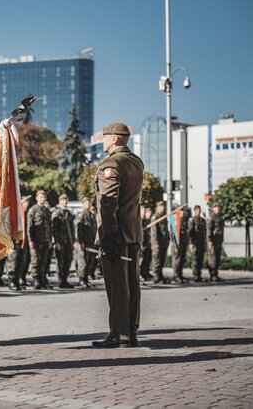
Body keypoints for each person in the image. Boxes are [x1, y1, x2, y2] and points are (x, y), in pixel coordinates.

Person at [92, 122, 144, 349]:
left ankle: (119, 334)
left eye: (104, 137)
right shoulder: (136, 161)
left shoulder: (112, 163)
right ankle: (131, 331)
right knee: (132, 284)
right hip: (133, 233)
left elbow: (108, 202)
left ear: (114, 139)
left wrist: (108, 233)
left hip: (117, 235)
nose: (102, 142)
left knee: (117, 286)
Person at [27, 190, 53, 289]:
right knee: (35, 260)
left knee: (43, 261)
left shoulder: (46, 210)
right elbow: (29, 226)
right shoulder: (33, 210)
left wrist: (50, 240)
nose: (43, 199)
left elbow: (50, 226)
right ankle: (35, 279)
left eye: (44, 197)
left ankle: (42, 278)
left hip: (46, 240)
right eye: (41, 197)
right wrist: (30, 240)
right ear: (37, 198)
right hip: (36, 240)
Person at [5, 195, 31, 291]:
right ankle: (11, 281)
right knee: (12, 262)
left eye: (28, 202)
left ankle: (17, 280)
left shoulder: (26, 213)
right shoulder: (14, 213)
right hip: (14, 242)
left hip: (23, 242)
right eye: (25, 202)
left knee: (21, 262)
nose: (27, 204)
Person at [52, 194, 75, 288]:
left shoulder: (69, 213)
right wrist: (55, 242)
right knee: (60, 261)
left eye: (66, 200)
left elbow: (72, 228)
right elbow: (54, 229)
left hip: (68, 242)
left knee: (67, 261)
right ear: (59, 201)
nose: (65, 201)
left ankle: (65, 279)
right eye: (63, 200)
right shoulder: (56, 213)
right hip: (60, 241)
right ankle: (61, 279)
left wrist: (73, 241)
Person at [75, 196, 97, 288]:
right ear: (83, 204)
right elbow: (78, 229)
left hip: (91, 242)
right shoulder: (82, 214)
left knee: (90, 261)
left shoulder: (91, 215)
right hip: (84, 242)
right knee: (83, 261)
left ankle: (86, 278)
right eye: (86, 203)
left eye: (89, 202)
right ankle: (81, 279)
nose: (88, 204)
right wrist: (80, 242)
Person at [150, 201, 170, 284]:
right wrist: (155, 243)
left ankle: (160, 275)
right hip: (157, 243)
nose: (162, 207)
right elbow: (154, 232)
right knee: (157, 260)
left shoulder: (163, 216)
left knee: (162, 260)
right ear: (157, 207)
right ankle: (156, 277)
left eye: (163, 206)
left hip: (164, 242)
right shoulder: (155, 217)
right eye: (160, 206)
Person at [171, 207, 190, 284]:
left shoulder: (183, 219)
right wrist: (175, 245)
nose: (183, 212)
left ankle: (180, 275)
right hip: (177, 243)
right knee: (177, 260)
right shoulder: (175, 218)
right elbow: (173, 234)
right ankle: (176, 276)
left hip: (183, 242)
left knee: (181, 259)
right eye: (181, 211)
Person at [188, 205, 207, 282]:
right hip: (195, 243)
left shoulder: (202, 220)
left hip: (201, 243)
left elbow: (204, 232)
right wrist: (191, 243)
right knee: (195, 260)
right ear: (194, 211)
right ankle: (195, 275)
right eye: (196, 210)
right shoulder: (191, 220)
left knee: (200, 260)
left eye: (199, 210)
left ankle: (199, 275)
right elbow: (190, 232)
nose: (198, 211)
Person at [207, 202, 225, 281]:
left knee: (217, 258)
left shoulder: (220, 217)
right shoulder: (211, 217)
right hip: (213, 241)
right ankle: (212, 275)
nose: (218, 208)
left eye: (219, 207)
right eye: (216, 207)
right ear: (213, 208)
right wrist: (209, 241)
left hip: (219, 240)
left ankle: (216, 274)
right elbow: (209, 230)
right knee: (213, 258)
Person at [139, 206, 153, 281]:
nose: (144, 213)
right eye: (142, 211)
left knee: (145, 260)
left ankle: (144, 273)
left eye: (144, 211)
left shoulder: (146, 221)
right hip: (141, 243)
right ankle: (140, 275)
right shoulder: (138, 221)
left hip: (146, 242)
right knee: (140, 261)